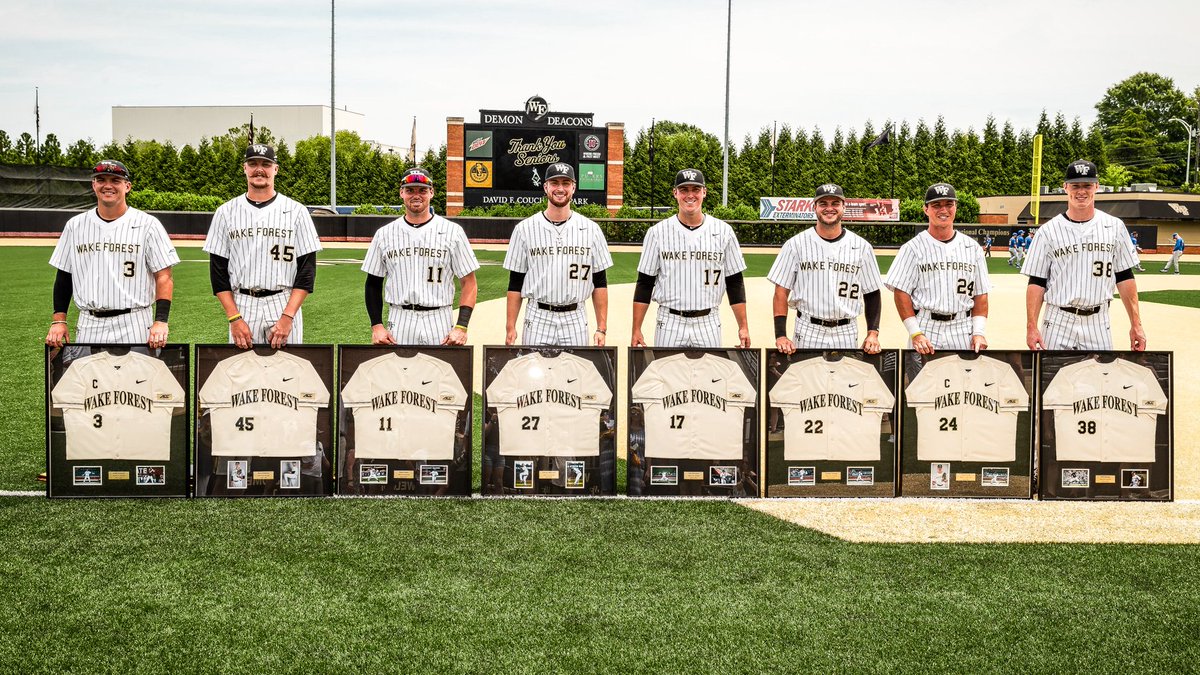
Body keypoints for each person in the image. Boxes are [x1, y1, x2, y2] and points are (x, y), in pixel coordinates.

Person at [46, 159, 179, 349]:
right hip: (90, 323)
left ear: (127, 186)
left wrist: (161, 320)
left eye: (115, 180)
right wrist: (59, 320)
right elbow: (65, 275)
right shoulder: (75, 226)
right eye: (101, 179)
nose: (107, 185)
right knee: (91, 378)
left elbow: (164, 276)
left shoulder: (148, 225)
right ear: (94, 185)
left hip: (135, 321)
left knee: (136, 379)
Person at [204, 144, 322, 350]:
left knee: (288, 375)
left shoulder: (297, 211)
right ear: (245, 168)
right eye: (253, 163)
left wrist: (287, 317)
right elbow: (218, 273)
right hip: (242, 304)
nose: (259, 169)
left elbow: (307, 271)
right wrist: (234, 318)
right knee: (242, 377)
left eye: (266, 164)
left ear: (275, 169)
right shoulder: (225, 212)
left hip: (283, 302)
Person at [1023, 159, 1146, 351]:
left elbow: (1124, 277)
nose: (1081, 191)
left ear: (1096, 186)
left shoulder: (1114, 227)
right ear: (1065, 187)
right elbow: (1037, 282)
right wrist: (1031, 326)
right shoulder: (1048, 231)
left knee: (1098, 380)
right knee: (1054, 380)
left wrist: (1136, 324)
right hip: (1057, 320)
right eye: (1075, 185)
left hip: (1098, 320)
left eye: (1087, 185)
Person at [631, 169, 750, 348]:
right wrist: (636, 329)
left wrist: (743, 327)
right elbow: (645, 283)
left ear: (704, 192)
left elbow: (735, 282)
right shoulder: (657, 233)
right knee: (668, 375)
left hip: (708, 322)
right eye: (684, 189)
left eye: (695, 189)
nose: (690, 195)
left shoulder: (724, 232)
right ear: (675, 193)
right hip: (669, 322)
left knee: (709, 376)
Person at [362, 167, 479, 345]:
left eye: (422, 190)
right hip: (400, 318)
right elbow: (373, 284)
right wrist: (376, 325)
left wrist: (461, 326)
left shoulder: (453, 232)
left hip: (439, 319)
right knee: (401, 372)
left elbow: (469, 282)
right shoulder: (384, 234)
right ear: (401, 193)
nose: (416, 195)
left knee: (440, 372)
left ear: (431, 192)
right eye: (410, 190)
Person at [503, 162, 612, 346]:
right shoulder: (524, 229)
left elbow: (599, 281)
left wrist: (601, 328)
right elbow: (515, 282)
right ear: (545, 187)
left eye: (565, 183)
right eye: (554, 183)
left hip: (575, 317)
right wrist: (510, 326)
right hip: (538, 317)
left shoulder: (592, 230)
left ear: (573, 187)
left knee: (574, 373)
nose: (560, 188)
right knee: (535, 373)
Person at [767, 183, 882, 354]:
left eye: (835, 203)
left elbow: (872, 293)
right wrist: (780, 335)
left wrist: (873, 333)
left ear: (844, 207)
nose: (829, 208)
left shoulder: (862, 247)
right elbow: (781, 291)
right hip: (808, 329)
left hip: (846, 330)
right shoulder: (795, 245)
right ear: (814, 207)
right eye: (823, 204)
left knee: (844, 381)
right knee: (807, 380)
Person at [885, 183, 990, 353]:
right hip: (926, 327)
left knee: (963, 379)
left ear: (955, 207)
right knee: (921, 379)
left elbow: (981, 293)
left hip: (963, 327)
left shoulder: (972, 248)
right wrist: (915, 332)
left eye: (949, 204)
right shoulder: (912, 248)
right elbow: (901, 292)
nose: (944, 210)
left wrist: (979, 332)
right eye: (936, 205)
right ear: (926, 209)